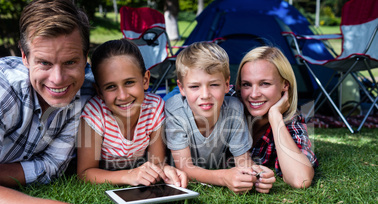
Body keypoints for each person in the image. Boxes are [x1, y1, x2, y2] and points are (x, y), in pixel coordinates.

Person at [0, 0, 160, 204]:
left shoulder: (93, 89)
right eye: (44, 63)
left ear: (85, 58)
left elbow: (52, 166)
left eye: (71, 62)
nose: (58, 79)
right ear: (24, 57)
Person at [165, 42, 276, 194]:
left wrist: (257, 175)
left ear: (226, 85)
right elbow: (184, 167)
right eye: (194, 87)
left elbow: (243, 161)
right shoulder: (175, 110)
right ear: (182, 88)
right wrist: (224, 177)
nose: (205, 95)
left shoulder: (234, 109)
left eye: (214, 85)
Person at [77, 39, 187, 187]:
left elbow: (156, 163)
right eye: (110, 87)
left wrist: (165, 170)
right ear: (99, 92)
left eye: (129, 82)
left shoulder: (154, 107)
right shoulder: (94, 114)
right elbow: (85, 173)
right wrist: (128, 176)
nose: (122, 96)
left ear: (145, 80)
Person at [235, 46, 319, 189]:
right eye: (246, 84)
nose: (254, 94)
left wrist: (275, 116)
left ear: (285, 85)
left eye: (265, 84)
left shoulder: (291, 121)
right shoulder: (226, 102)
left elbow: (300, 180)